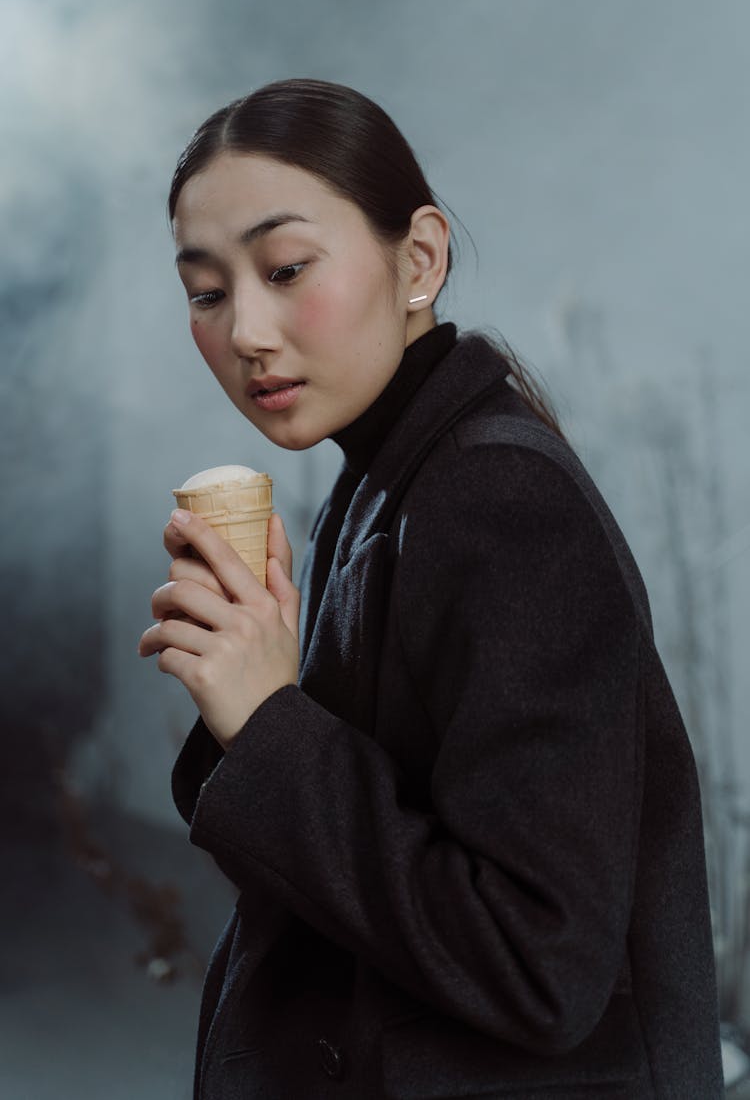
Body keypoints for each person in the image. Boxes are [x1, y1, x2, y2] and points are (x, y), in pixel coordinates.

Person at [138, 78, 723, 1099]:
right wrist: (245, 696)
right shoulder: (380, 474)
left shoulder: (497, 497)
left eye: (285, 268)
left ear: (420, 259)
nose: (247, 333)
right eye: (207, 290)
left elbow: (539, 966)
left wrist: (271, 722)